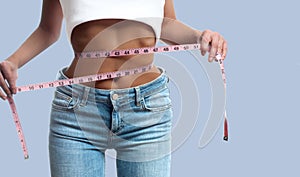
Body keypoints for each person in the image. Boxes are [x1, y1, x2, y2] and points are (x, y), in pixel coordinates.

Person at [0, 0, 227, 176]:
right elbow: (47, 30)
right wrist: (12, 61)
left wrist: (200, 36)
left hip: (146, 112)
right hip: (76, 111)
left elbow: (166, 24)